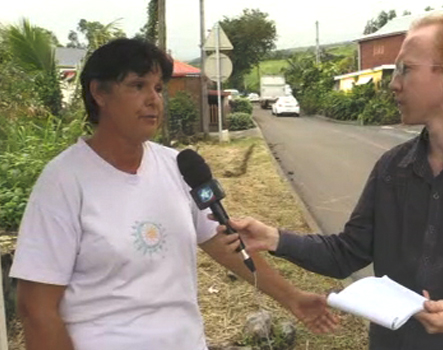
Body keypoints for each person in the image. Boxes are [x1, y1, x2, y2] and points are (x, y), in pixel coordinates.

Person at [217, 14, 443, 350]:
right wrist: (274, 238)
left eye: (405, 70)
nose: (393, 84)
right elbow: (347, 252)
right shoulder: (392, 169)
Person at [9, 38, 336, 350]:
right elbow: (36, 309)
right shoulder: (63, 182)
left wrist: (292, 297)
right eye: (138, 86)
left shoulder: (177, 166)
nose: (154, 99)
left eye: (158, 88)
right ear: (99, 93)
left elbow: (223, 245)